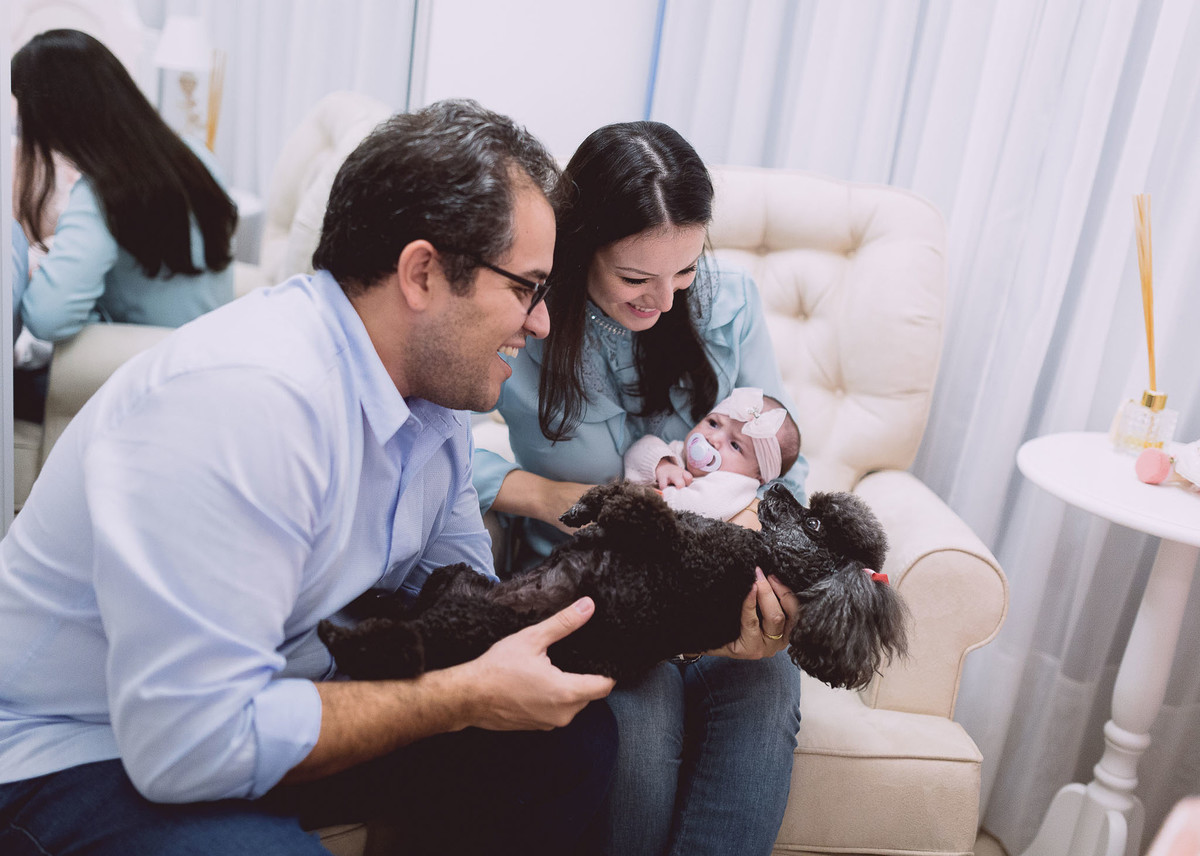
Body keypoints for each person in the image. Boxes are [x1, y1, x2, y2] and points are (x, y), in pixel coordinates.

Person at [0, 99, 617, 856]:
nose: (542, 323)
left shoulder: (437, 405)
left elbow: (468, 611)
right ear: (422, 273)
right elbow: (188, 745)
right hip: (79, 748)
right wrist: (459, 697)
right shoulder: (248, 399)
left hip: (277, 693)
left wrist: (684, 610)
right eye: (526, 288)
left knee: (566, 744)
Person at [472, 120, 809, 856]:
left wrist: (766, 566)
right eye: (635, 278)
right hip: (594, 591)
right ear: (581, 243)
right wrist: (536, 492)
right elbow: (431, 442)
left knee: (770, 684)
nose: (663, 299)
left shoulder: (731, 305)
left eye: (684, 272)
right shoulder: (528, 318)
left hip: (711, 594)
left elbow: (785, 460)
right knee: (642, 701)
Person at [10, 29, 237, 419]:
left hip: (145, 374)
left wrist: (41, 274)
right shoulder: (198, 156)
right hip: (211, 362)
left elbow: (48, 317)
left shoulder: (101, 192)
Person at [624, 387, 801, 521]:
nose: (712, 438)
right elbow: (636, 451)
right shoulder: (678, 452)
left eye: (734, 445)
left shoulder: (736, 485)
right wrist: (662, 464)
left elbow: (695, 509)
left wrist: (644, 497)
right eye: (713, 423)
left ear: (759, 477)